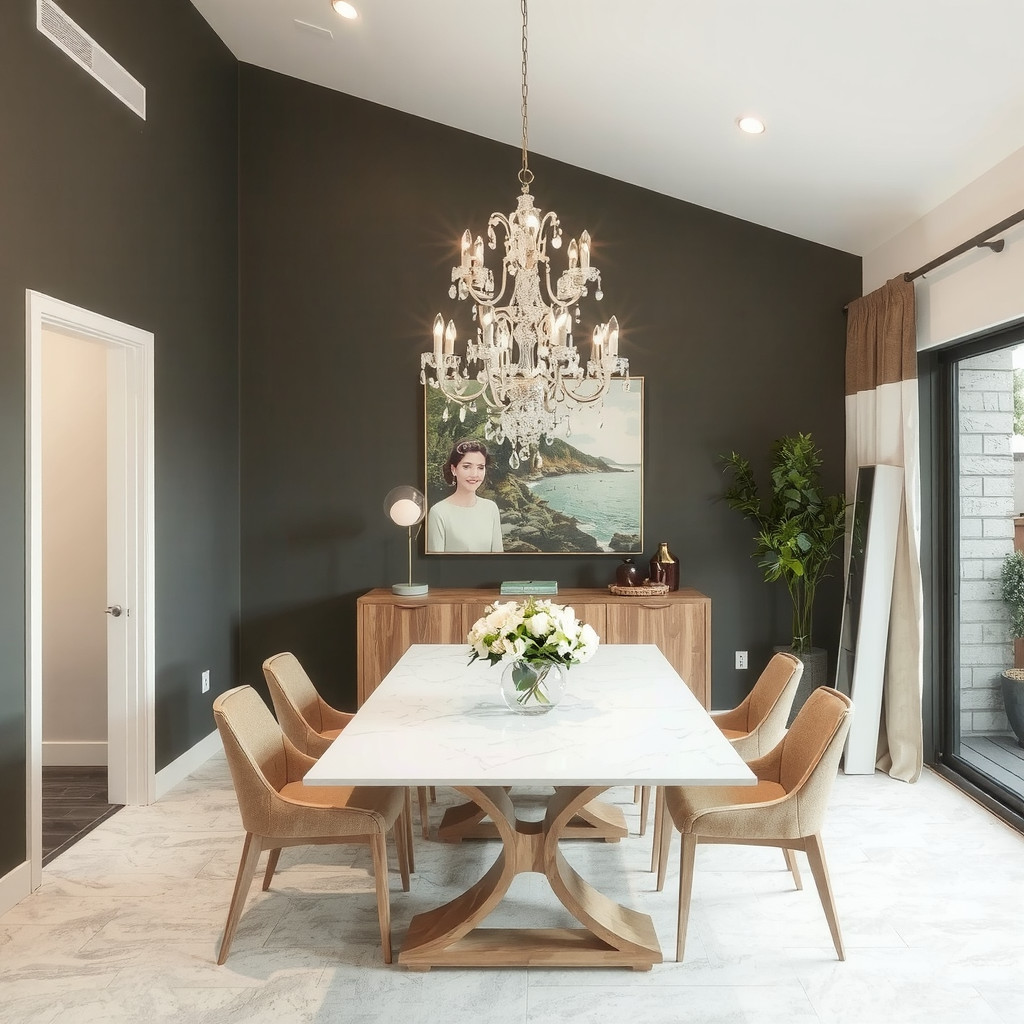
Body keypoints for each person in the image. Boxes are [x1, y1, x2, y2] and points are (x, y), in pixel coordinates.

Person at [427, 439, 503, 552]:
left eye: (480, 467)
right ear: (454, 469)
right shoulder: (439, 512)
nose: (474, 474)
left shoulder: (491, 508)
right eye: (466, 467)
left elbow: (499, 560)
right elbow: (436, 566)